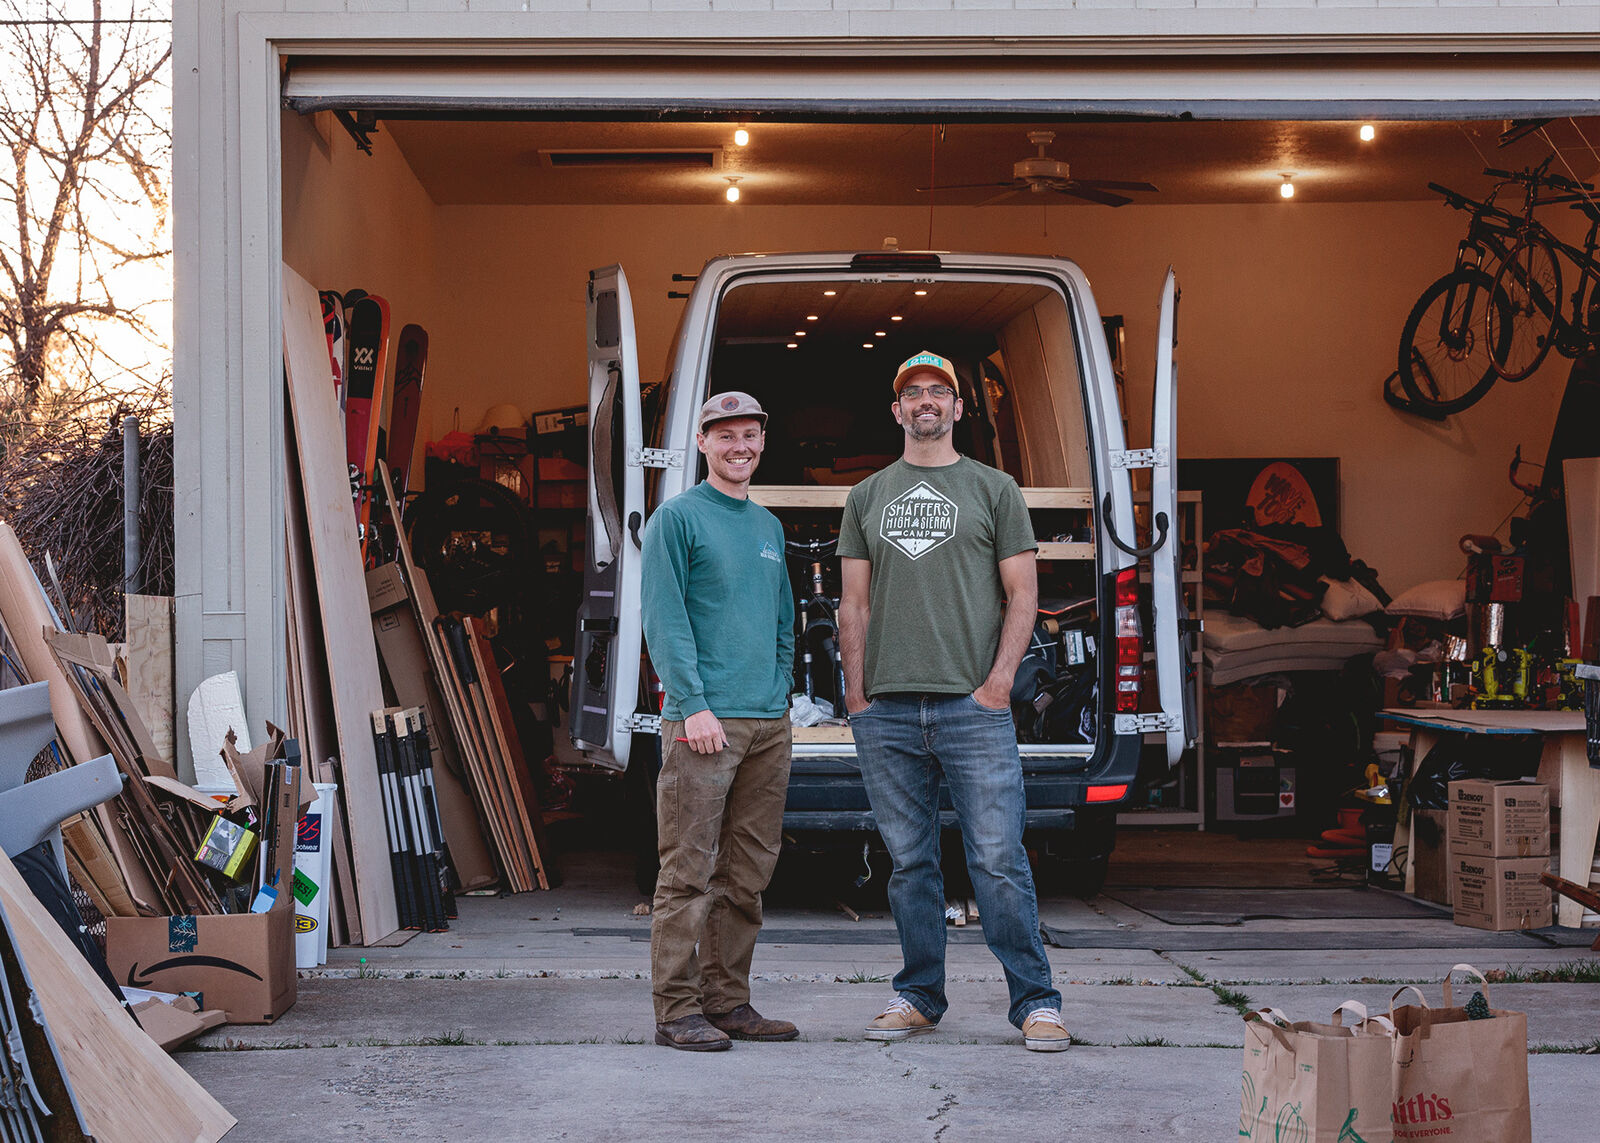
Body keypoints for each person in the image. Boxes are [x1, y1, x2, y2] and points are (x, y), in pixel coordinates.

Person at [837, 350, 1070, 1052]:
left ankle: (1036, 1001)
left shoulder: (995, 489)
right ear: (897, 409)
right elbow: (853, 605)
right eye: (914, 393)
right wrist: (856, 697)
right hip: (888, 710)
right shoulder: (867, 494)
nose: (927, 401)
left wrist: (999, 683)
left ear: (959, 408)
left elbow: (1023, 595)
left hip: (974, 709)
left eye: (940, 391)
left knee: (998, 860)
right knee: (909, 863)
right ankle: (917, 995)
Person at [640, 391, 798, 1053]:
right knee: (687, 872)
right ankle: (676, 1009)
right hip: (702, 723)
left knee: (748, 875)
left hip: (767, 725)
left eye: (751, 435)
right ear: (703, 442)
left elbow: (784, 619)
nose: (741, 446)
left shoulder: (767, 527)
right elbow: (664, 618)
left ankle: (727, 1000)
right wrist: (693, 702)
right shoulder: (676, 519)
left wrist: (781, 692)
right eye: (726, 435)